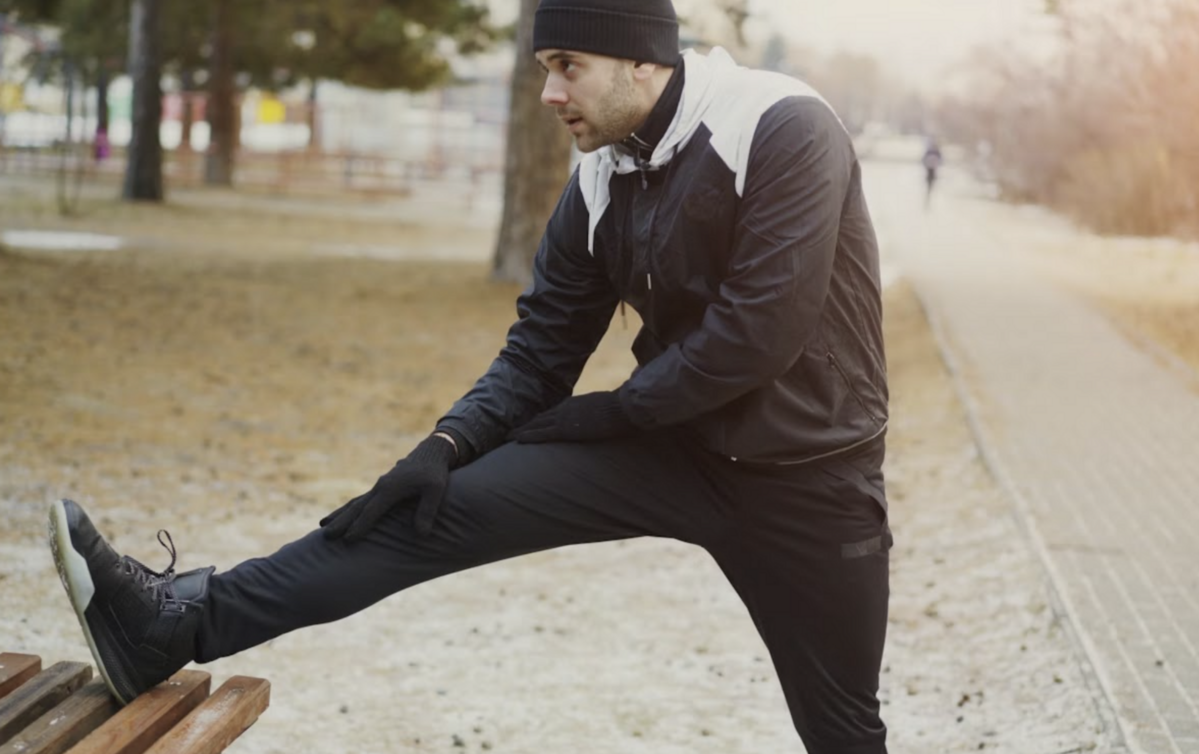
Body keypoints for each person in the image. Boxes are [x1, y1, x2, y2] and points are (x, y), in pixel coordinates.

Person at [48, 0, 892, 751]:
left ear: (644, 60)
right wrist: (444, 445)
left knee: (840, 728)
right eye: (543, 69)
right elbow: (541, 348)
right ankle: (171, 625)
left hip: (808, 478)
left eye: (568, 68)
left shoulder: (780, 126)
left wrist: (614, 414)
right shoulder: (601, 173)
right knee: (423, 507)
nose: (549, 94)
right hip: (671, 446)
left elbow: (759, 332)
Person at [922, 137, 943, 209]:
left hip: (932, 169)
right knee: (930, 183)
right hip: (930, 169)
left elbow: (940, 160)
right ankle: (928, 195)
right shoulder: (932, 152)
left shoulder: (934, 152)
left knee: (931, 183)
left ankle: (929, 194)